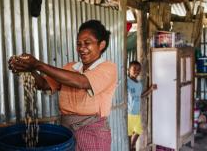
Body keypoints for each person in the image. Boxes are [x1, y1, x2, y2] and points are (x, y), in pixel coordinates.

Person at [9, 20, 117, 150]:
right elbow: (44, 84)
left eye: (87, 43)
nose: (81, 48)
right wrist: (28, 69)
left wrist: (38, 64)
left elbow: (82, 82)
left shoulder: (108, 68)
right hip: (66, 131)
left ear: (101, 45)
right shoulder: (70, 67)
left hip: (92, 133)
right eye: (78, 44)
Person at [127, 61, 157, 151]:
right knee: (128, 135)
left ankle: (131, 147)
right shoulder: (126, 81)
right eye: (134, 69)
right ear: (129, 70)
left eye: (138, 69)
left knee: (138, 131)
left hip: (136, 113)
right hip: (128, 113)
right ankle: (130, 147)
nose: (136, 71)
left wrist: (150, 89)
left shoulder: (139, 84)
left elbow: (141, 96)